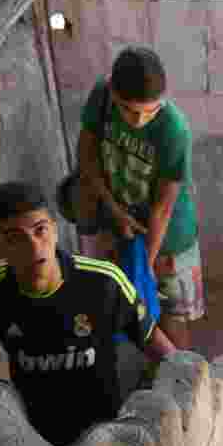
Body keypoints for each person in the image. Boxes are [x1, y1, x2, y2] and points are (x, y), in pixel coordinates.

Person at [0, 181, 176, 446]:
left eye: (40, 230)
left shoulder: (103, 282)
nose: (33, 246)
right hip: (33, 437)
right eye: (15, 238)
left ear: (55, 231)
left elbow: (150, 337)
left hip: (101, 436)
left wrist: (186, 378)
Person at [71, 45, 204, 351]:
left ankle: (178, 376)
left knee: (170, 316)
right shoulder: (102, 97)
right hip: (121, 224)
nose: (138, 120)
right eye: (129, 110)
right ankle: (155, 369)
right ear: (113, 93)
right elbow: (87, 155)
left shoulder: (173, 129)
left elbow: (163, 208)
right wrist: (113, 208)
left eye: (150, 111)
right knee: (131, 310)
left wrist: (145, 266)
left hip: (169, 237)